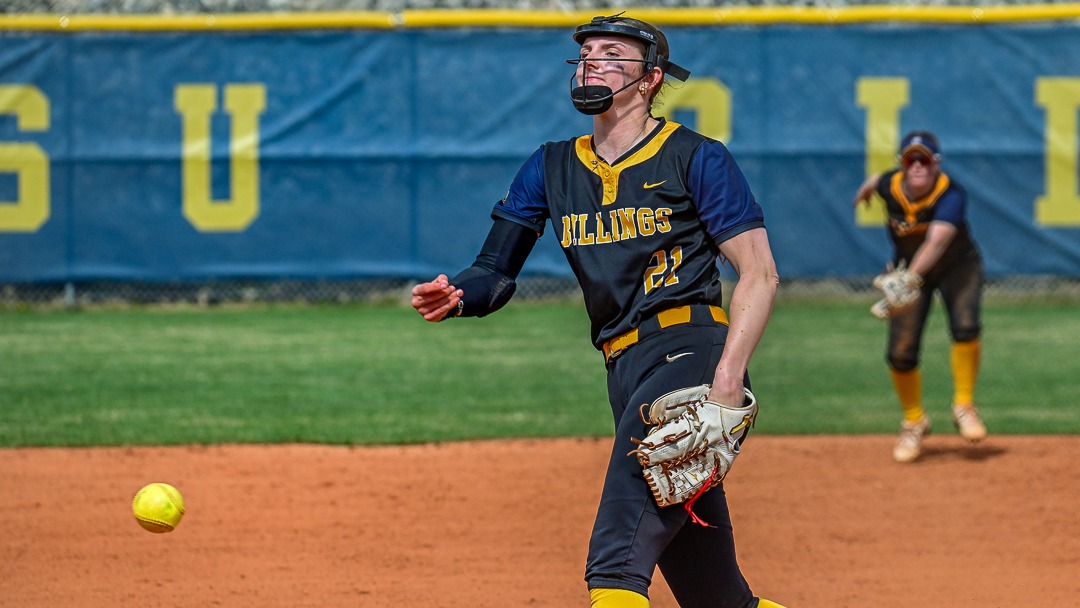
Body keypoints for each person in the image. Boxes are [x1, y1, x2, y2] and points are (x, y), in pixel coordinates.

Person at [411, 14, 785, 608]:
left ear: (650, 78)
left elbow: (759, 274)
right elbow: (495, 271)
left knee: (614, 566)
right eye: (585, 52)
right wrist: (458, 294)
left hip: (690, 359)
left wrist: (725, 387)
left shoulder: (695, 156)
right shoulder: (553, 165)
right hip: (624, 368)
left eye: (612, 53)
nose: (591, 61)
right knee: (715, 594)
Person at [853, 131, 988, 463]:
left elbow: (937, 242)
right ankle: (914, 421)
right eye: (909, 159)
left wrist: (909, 279)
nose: (916, 166)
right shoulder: (890, 184)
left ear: (936, 164)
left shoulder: (950, 195)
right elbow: (875, 179)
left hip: (957, 267)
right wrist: (865, 190)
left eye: (924, 159)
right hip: (909, 271)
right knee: (901, 353)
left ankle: (964, 405)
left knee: (966, 327)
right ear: (901, 164)